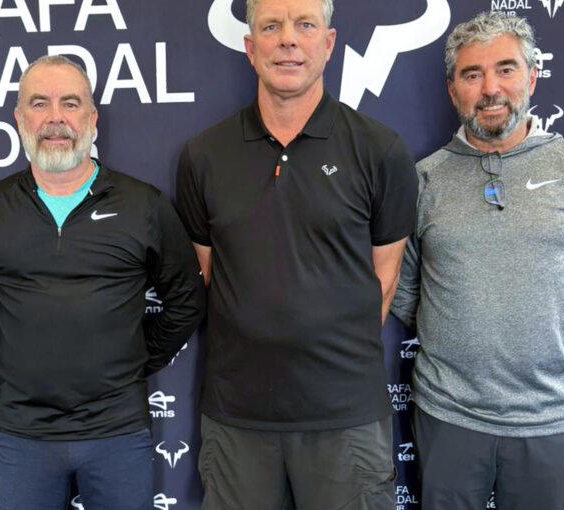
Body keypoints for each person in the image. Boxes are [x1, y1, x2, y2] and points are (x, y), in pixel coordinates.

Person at [174, 0, 418, 507]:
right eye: (271, 26)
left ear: (328, 44)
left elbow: (384, 279)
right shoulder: (203, 156)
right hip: (237, 417)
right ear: (250, 47)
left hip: (345, 416)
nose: (288, 38)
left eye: (305, 24)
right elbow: (209, 274)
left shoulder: (380, 150)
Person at [0, 55, 205, 510]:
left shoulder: (142, 205)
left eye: (70, 103)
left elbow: (185, 299)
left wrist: (133, 359)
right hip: (23, 434)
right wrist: (10, 365)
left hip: (118, 431)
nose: (55, 118)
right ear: (19, 118)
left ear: (92, 118)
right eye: (39, 103)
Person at [390, 11, 564, 510]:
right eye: (472, 74)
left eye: (506, 69)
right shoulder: (422, 181)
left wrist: (560, 332)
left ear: (532, 77)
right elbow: (403, 288)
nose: (490, 88)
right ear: (453, 90)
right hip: (449, 415)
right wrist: (455, 328)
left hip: (549, 417)